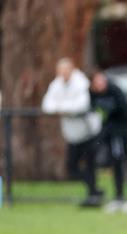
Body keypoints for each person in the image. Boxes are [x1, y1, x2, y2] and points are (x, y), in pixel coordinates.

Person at [42, 58, 103, 207]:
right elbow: (47, 105)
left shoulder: (81, 82)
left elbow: (82, 104)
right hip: (72, 134)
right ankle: (95, 190)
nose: (63, 74)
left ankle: (93, 196)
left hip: (89, 132)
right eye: (60, 71)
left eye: (65, 70)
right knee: (72, 167)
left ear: (72, 69)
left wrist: (62, 107)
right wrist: (64, 107)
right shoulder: (56, 84)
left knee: (90, 165)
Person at [90, 70, 127, 214]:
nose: (101, 84)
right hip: (113, 135)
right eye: (97, 82)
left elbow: (122, 109)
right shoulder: (93, 95)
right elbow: (98, 113)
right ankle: (119, 197)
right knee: (116, 164)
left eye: (102, 80)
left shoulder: (114, 90)